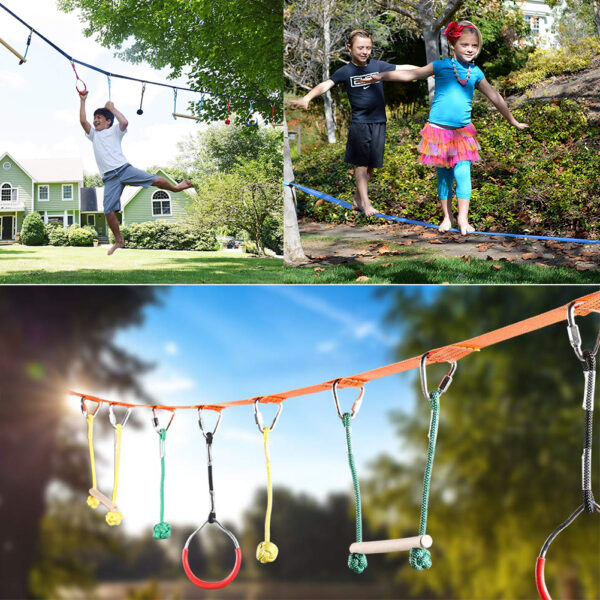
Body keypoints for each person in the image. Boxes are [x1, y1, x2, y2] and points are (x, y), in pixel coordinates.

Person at [358, 20, 529, 235]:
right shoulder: (440, 66)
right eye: (465, 44)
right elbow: (412, 74)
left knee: (463, 173)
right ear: (454, 46)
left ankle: (463, 220)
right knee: (444, 178)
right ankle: (447, 217)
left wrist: (512, 119)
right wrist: (382, 76)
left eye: (474, 46)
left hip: (462, 133)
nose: (469, 49)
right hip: (438, 132)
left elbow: (495, 97)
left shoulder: (475, 72)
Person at [289, 29, 416, 217]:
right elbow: (326, 84)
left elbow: (401, 67)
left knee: (372, 163)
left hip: (379, 121)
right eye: (360, 48)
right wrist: (307, 98)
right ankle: (365, 202)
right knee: (361, 164)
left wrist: (428, 71)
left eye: (368, 48)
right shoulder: (345, 71)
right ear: (349, 48)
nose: (365, 52)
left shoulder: (378, 65)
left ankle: (357, 198)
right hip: (360, 123)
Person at [79, 91, 195, 255]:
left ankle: (176, 188)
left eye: (99, 117)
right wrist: (83, 100)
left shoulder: (114, 131)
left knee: (155, 180)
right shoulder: (94, 135)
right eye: (94, 117)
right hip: (110, 178)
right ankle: (119, 240)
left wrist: (112, 108)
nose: (95, 120)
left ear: (108, 121)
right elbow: (83, 121)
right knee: (108, 211)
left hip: (124, 169)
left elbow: (125, 122)